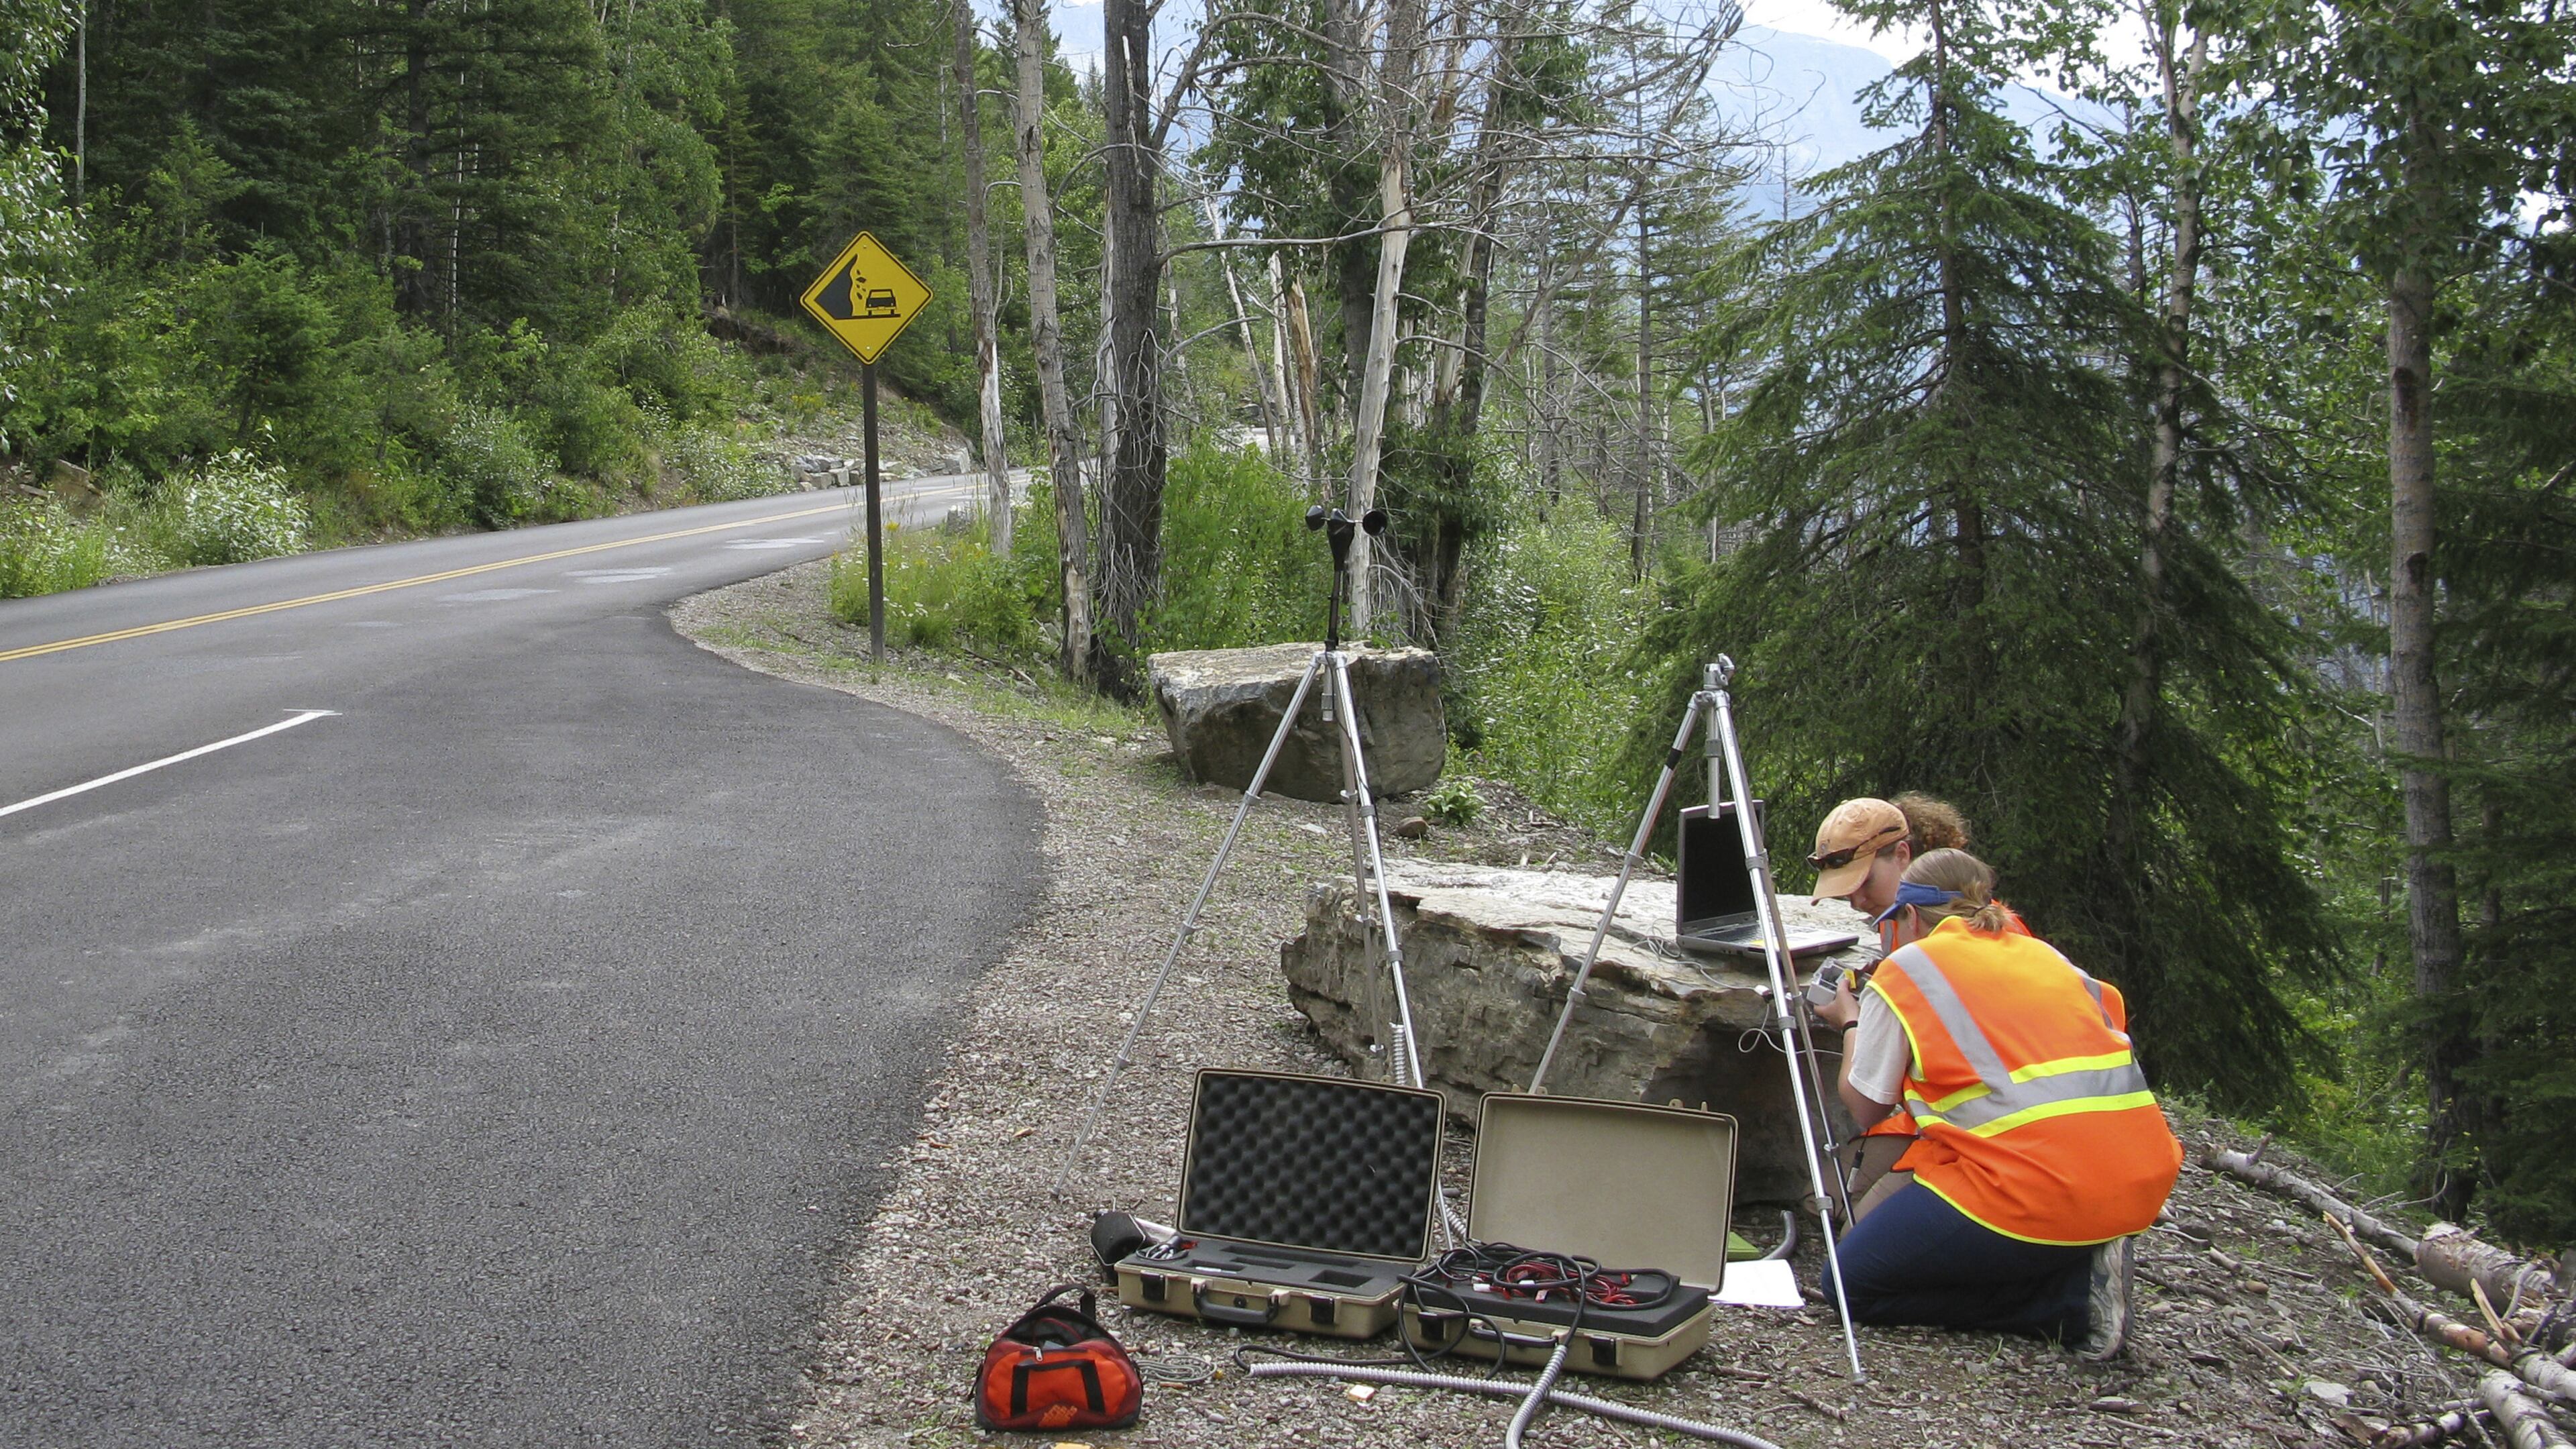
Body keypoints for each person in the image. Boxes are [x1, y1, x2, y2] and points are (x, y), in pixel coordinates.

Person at [1812, 849, 2180, 1359]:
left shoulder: (1909, 970)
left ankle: (2069, 1302)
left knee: (1847, 1285)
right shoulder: (2048, 957)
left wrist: (1850, 1021)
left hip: (2034, 1181)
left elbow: (1866, 1106)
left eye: (1891, 921)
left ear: (1911, 916)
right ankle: (2080, 1258)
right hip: (2138, 1179)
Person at [1804, 794, 1977, 1210]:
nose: (1858, 902)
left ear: (1902, 855)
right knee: (1821, 1197)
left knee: (1854, 1251)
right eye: (1847, 892)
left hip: (1979, 1138)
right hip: (1939, 1118)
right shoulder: (1929, 918)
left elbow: (1865, 1106)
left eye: (1864, 884)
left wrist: (1852, 1021)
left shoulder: (1921, 955)